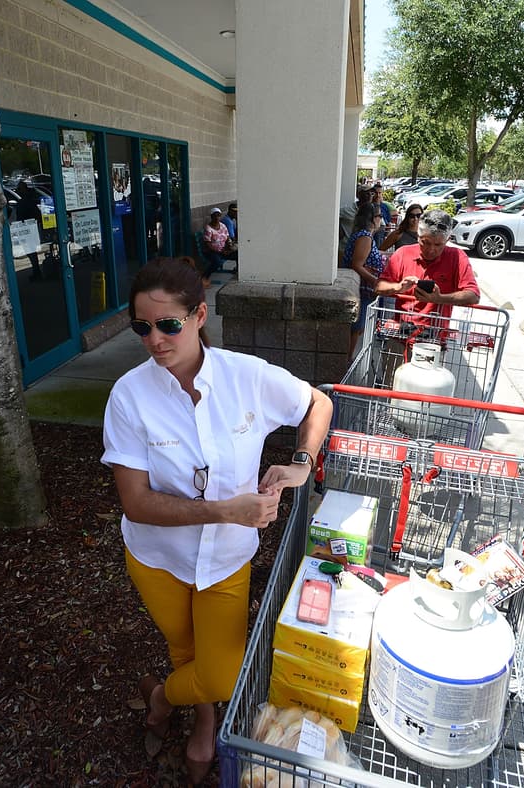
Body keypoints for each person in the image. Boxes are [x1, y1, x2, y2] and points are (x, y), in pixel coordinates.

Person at [101, 257, 333, 784]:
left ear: (200, 315)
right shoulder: (129, 396)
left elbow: (317, 403)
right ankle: (203, 725)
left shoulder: (245, 376)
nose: (155, 340)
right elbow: (136, 503)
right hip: (158, 559)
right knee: (184, 648)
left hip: (227, 559)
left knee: (222, 671)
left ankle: (160, 698)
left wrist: (301, 464)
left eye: (168, 324)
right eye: (142, 327)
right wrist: (227, 510)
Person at [376, 208, 481, 324]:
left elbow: (473, 295)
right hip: (401, 330)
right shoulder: (402, 253)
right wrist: (399, 287)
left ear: (447, 240)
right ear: (418, 236)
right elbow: (379, 287)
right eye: (425, 242)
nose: (431, 250)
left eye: (438, 245)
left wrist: (439, 298)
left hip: (436, 334)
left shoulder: (457, 257)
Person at [342, 203, 386, 359]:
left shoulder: (365, 236)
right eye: (380, 216)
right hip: (363, 289)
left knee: (358, 327)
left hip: (365, 288)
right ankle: (347, 360)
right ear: (372, 219)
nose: (382, 219)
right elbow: (357, 264)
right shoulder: (365, 237)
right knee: (357, 327)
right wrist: (376, 281)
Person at [200, 207, 231, 279]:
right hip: (211, 251)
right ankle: (205, 276)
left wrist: (229, 245)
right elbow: (208, 244)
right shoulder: (208, 228)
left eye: (218, 215)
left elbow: (227, 237)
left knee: (237, 254)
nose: (217, 217)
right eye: (215, 215)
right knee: (217, 262)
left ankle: (237, 270)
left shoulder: (223, 226)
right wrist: (220, 251)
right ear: (211, 216)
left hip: (223, 250)